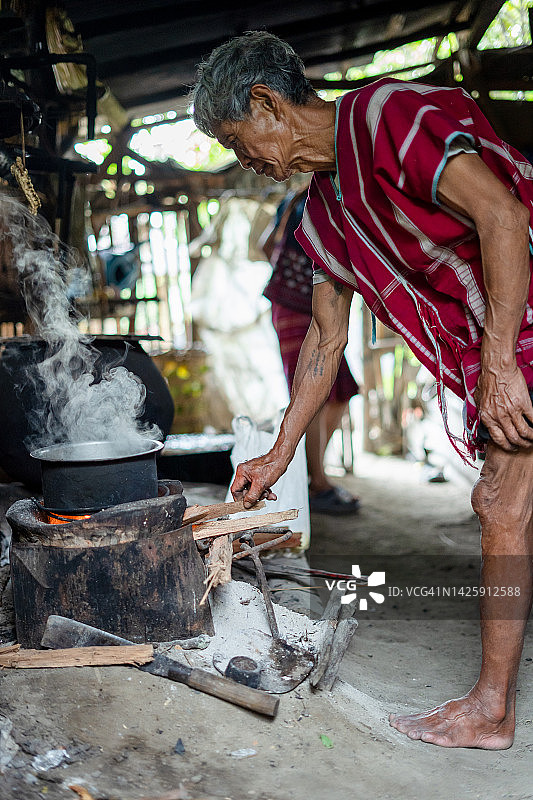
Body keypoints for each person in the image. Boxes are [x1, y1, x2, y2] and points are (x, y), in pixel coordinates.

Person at [192, 31, 533, 749]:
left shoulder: (384, 117)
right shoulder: (322, 212)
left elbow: (503, 215)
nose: (241, 159)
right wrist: (280, 452)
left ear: (267, 104)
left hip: (518, 320)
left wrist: (500, 364)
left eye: (234, 139)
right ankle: (492, 708)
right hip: (497, 339)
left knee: (502, 502)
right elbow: (324, 341)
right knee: (505, 502)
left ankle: (491, 712)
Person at [262, 186, 361, 513]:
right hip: (290, 305)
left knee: (342, 390)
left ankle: (313, 471)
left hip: (319, 305)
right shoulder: (298, 202)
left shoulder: (334, 194)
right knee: (312, 393)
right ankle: (318, 482)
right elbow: (266, 246)